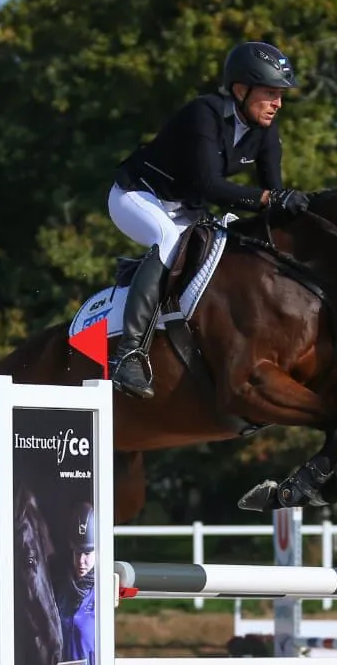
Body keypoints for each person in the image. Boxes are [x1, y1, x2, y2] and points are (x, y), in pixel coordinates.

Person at [105, 40, 313, 398]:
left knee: (224, 251)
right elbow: (208, 184)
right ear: (240, 89)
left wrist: (293, 209)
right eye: (269, 93)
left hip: (186, 208)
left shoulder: (266, 131)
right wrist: (267, 199)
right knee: (167, 240)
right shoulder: (204, 113)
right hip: (137, 196)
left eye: (280, 95)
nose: (278, 104)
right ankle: (129, 355)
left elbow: (272, 194)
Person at [52, 502, 98, 665]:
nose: (81, 561)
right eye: (77, 553)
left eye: (87, 554)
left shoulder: (102, 595)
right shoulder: (61, 591)